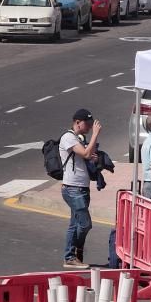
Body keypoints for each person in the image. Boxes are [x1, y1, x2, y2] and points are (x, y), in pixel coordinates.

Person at [59, 108, 102, 269]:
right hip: (72, 188)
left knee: (74, 224)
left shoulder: (79, 138)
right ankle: (72, 254)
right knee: (85, 224)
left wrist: (94, 157)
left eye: (92, 124)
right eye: (88, 124)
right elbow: (84, 153)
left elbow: (87, 156)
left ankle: (72, 255)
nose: (90, 127)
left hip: (82, 187)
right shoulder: (68, 138)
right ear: (77, 122)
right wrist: (95, 135)